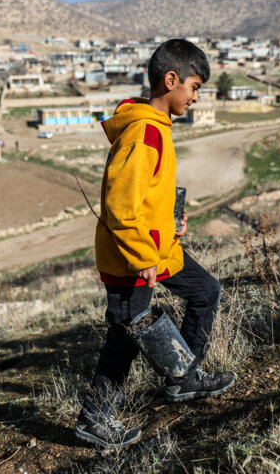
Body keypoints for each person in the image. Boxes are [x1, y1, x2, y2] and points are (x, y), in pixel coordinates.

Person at [75, 39, 236, 449]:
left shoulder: (157, 128)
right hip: (134, 258)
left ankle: (186, 377)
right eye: (194, 87)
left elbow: (147, 195)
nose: (196, 97)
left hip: (158, 250)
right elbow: (119, 205)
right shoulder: (143, 132)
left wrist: (171, 221)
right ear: (171, 80)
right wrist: (144, 253)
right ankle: (95, 419)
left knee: (206, 291)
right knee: (124, 335)